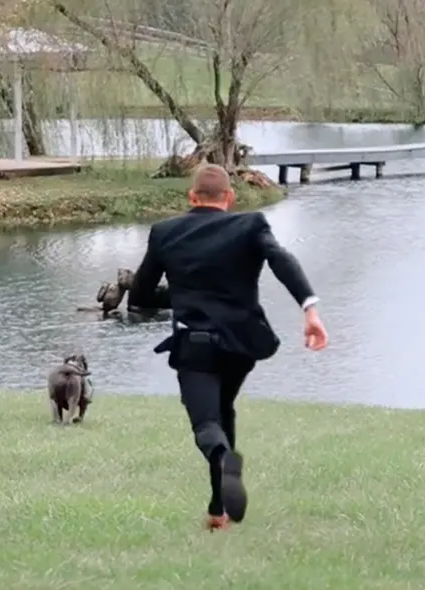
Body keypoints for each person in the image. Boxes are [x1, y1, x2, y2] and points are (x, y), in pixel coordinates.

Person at [125, 164, 328, 531]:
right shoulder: (250, 225)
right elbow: (281, 260)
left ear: (191, 197)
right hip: (241, 346)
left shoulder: (165, 233)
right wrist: (309, 308)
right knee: (224, 410)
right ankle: (219, 509)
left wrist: (183, 294)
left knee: (206, 424)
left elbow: (140, 297)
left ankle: (222, 459)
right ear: (230, 198)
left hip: (196, 346)